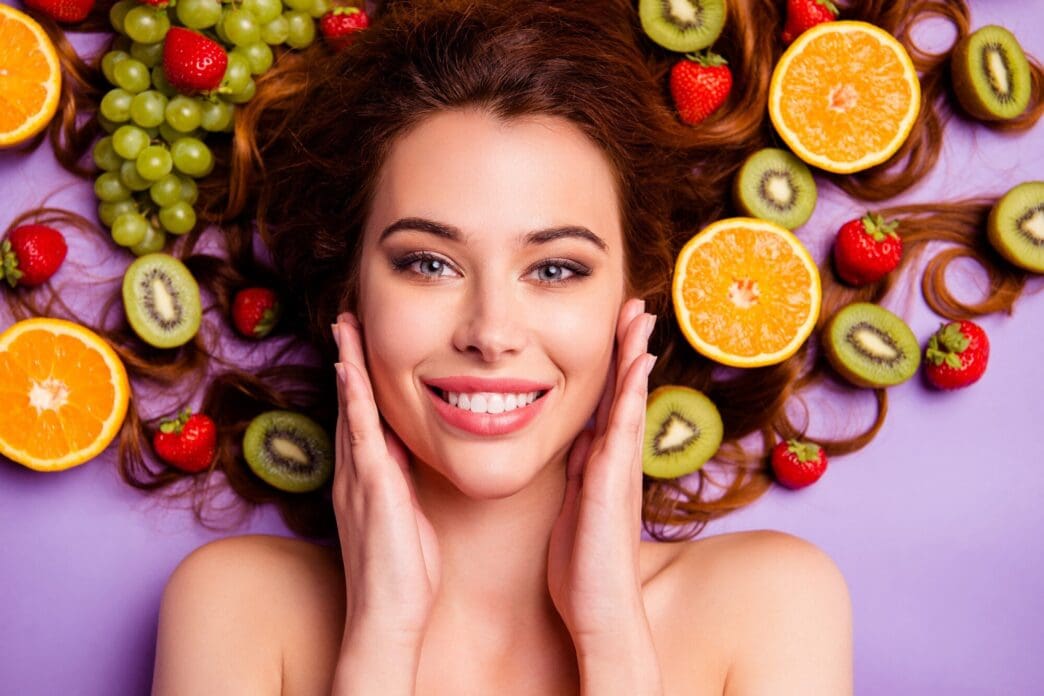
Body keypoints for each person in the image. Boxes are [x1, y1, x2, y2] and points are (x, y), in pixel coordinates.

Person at [146, 1, 858, 693]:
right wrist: (380, 642)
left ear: (630, 302)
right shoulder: (232, 609)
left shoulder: (771, 608)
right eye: (428, 263)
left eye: (555, 269)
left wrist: (612, 639)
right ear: (350, 291)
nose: (490, 333)